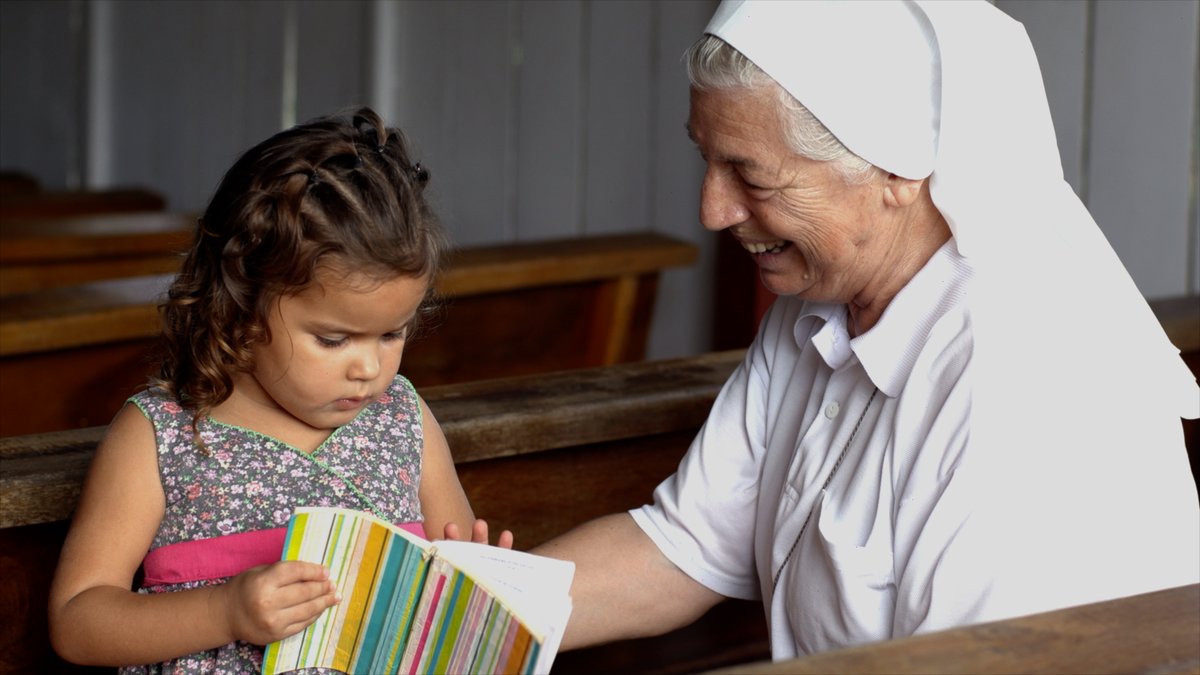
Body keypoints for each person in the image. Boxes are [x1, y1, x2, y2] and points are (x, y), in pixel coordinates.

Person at [534, 0, 1200, 661]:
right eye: (707, 158)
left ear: (896, 171)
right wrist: (456, 614)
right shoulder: (820, 296)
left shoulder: (1024, 378)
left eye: (751, 174)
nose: (712, 209)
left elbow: (971, 663)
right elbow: (680, 549)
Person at [48, 107, 510, 672]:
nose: (369, 368)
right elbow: (77, 620)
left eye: (392, 333)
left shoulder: (403, 420)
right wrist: (224, 611)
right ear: (241, 306)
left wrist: (482, 589)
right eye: (334, 339)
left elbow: (443, 588)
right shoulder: (164, 434)